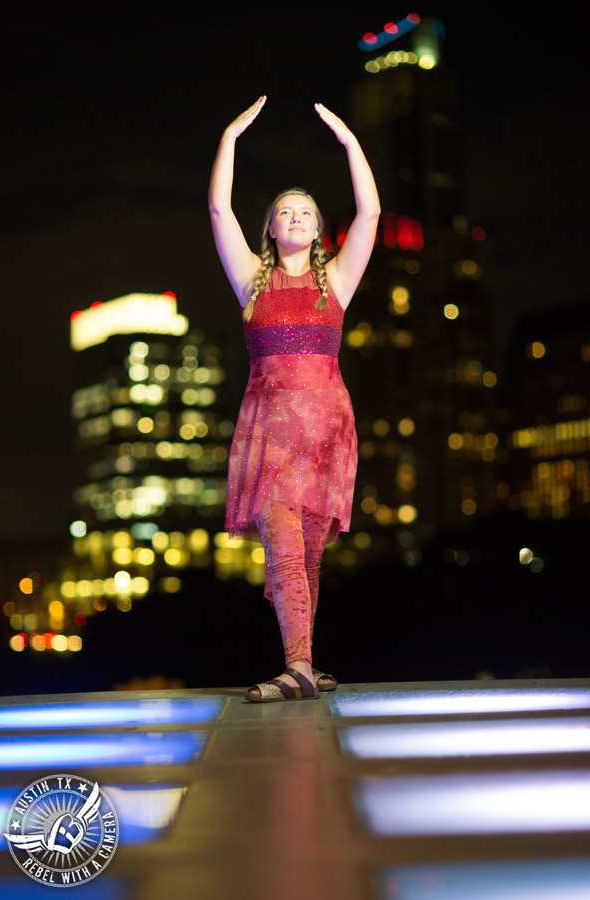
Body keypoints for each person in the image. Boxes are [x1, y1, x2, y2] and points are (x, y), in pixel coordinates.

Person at [209, 96, 380, 702]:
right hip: (271, 434)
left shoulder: (334, 282)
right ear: (272, 229)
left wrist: (348, 142)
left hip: (327, 434)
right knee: (281, 546)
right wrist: (230, 137)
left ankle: (303, 661)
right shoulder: (251, 281)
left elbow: (371, 210)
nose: (298, 216)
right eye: (286, 211)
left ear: (317, 228)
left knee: (306, 559)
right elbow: (217, 207)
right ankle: (300, 666)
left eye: (306, 210)